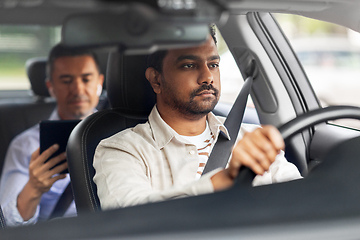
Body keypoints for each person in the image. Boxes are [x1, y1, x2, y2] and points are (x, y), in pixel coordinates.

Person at [93, 25, 302, 210]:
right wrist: (224, 180)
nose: (207, 77)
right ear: (156, 80)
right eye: (189, 65)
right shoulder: (120, 150)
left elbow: (303, 200)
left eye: (213, 64)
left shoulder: (251, 139)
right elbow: (129, 219)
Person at [0, 44, 104, 226]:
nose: (78, 89)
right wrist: (34, 188)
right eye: (66, 80)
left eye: (86, 79)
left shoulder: (122, 134)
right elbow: (8, 223)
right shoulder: (26, 145)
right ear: (51, 86)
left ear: (100, 82)